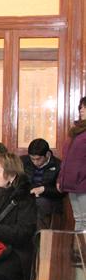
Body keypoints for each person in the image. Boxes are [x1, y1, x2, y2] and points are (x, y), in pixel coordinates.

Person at [21, 138, 64, 229]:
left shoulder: (58, 165)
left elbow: (62, 191)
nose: (35, 162)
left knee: (39, 203)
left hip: (49, 199)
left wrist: (44, 189)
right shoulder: (23, 161)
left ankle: (39, 237)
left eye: (38, 159)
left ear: (47, 154)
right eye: (32, 159)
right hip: (28, 195)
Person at [58, 96, 86, 231]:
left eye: (85, 107)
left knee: (84, 220)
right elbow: (66, 158)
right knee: (79, 219)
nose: (82, 110)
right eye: (80, 107)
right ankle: (78, 250)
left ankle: (81, 250)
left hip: (83, 182)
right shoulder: (76, 130)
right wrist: (60, 178)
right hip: (71, 182)